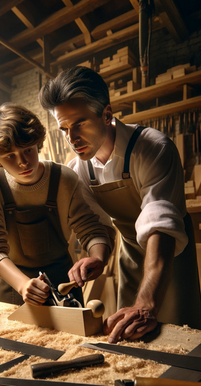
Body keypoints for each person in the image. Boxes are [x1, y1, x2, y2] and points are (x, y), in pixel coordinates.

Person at [38, 66, 201, 342]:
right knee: (131, 338)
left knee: (181, 341)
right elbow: (99, 226)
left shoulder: (152, 148)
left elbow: (160, 227)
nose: (71, 138)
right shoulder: (78, 169)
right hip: (130, 255)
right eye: (64, 128)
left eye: (79, 123)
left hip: (169, 256)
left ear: (106, 115)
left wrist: (147, 302)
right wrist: (98, 257)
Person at [0, 103, 111, 306]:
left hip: (63, 283)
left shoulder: (64, 178)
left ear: (37, 144)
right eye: (10, 156)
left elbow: (91, 229)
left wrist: (97, 257)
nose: (23, 162)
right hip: (14, 286)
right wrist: (22, 285)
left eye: (28, 150)